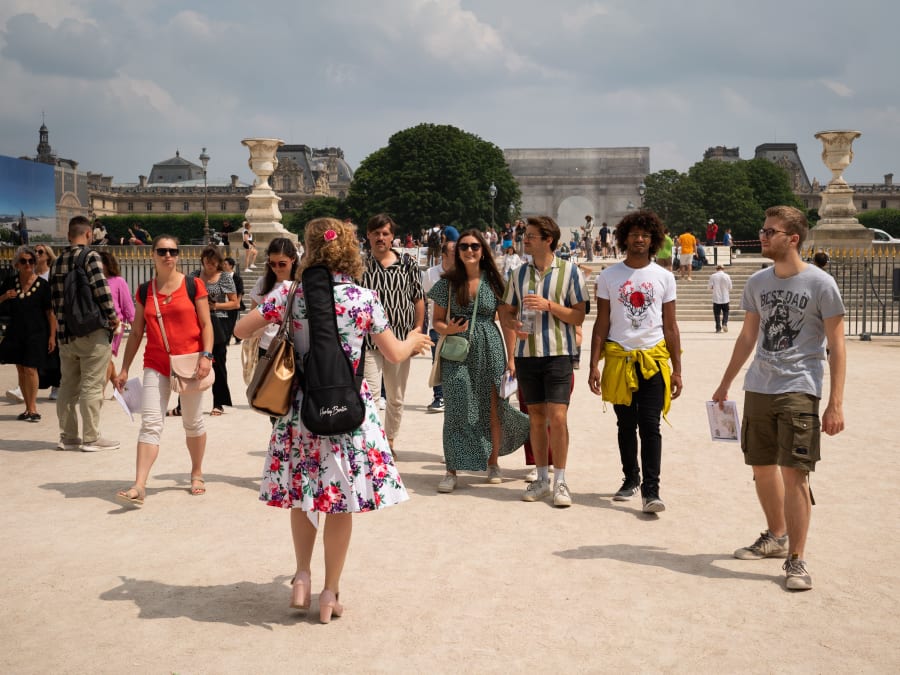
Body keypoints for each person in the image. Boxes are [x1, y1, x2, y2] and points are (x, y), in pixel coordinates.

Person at [233, 217, 432, 623]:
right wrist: (415, 338)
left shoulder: (289, 294)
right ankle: (329, 593)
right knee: (340, 502)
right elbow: (393, 354)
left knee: (305, 496)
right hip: (348, 410)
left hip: (300, 411)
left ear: (308, 249)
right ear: (348, 250)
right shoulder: (363, 298)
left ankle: (302, 577)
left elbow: (240, 329)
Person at [711, 205, 846, 592]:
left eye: (771, 231)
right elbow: (747, 337)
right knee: (761, 467)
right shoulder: (756, 282)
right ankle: (777, 535)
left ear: (793, 238)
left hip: (799, 386)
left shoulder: (821, 284)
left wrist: (835, 402)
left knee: (795, 473)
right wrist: (725, 383)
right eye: (764, 230)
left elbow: (837, 345)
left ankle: (797, 559)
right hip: (759, 386)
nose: (764, 235)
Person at [589, 210, 683, 513]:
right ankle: (630, 478)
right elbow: (601, 322)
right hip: (619, 357)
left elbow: (671, 326)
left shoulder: (665, 277)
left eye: (645, 235)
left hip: (653, 359)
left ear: (653, 240)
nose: (639, 239)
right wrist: (593, 363)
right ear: (624, 238)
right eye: (634, 234)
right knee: (625, 424)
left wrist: (678, 369)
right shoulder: (609, 276)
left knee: (650, 425)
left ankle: (651, 490)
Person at [113, 235, 214, 507]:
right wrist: (123, 368)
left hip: (190, 364)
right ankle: (139, 485)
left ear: (178, 255)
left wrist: (207, 356)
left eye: (172, 251)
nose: (168, 255)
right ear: (153, 255)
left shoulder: (194, 285)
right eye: (162, 251)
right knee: (150, 423)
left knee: (192, 421)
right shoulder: (145, 290)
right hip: (156, 363)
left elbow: (206, 325)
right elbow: (135, 333)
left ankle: (196, 472)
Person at [429, 229, 530, 492]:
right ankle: (452, 468)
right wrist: (447, 329)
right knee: (456, 408)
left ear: (483, 250)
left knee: (493, 407)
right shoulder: (447, 283)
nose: (469, 251)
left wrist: (511, 359)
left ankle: (493, 462)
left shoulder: (495, 283)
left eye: (474, 246)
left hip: (490, 347)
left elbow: (507, 323)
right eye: (464, 247)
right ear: (458, 251)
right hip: (457, 351)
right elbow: (436, 321)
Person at [499, 215, 588, 507]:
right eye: (526, 236)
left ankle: (560, 480)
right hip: (528, 355)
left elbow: (578, 315)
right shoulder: (518, 275)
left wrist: (549, 306)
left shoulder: (571, 272)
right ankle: (541, 478)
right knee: (535, 417)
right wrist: (514, 325)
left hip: (559, 354)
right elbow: (507, 311)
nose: (525, 240)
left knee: (558, 417)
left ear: (548, 240)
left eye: (531, 236)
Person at [50, 216, 120, 452]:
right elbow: (101, 291)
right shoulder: (90, 256)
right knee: (91, 384)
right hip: (91, 331)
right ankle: (91, 437)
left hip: (65, 334)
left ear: (69, 235)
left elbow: (54, 301)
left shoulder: (57, 262)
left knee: (68, 386)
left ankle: (68, 436)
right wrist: (113, 318)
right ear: (89, 234)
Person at [361, 213, 425, 456]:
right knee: (371, 397)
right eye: (376, 233)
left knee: (396, 398)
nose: (380, 237)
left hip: (400, 338)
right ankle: (374, 445)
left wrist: (418, 331)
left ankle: (390, 442)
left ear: (392, 237)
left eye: (385, 233)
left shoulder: (407, 263)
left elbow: (418, 298)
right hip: (368, 340)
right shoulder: (360, 264)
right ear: (368, 235)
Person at [0, 246, 55, 421]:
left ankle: (33, 409)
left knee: (31, 369)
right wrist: (4, 297)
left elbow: (50, 313)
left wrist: (52, 336)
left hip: (37, 333)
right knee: (21, 369)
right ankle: (27, 408)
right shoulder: (10, 282)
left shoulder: (43, 285)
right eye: (23, 261)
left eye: (31, 261)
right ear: (17, 264)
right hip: (16, 331)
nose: (28, 264)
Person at [191, 246, 237, 416]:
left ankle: (219, 403)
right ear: (202, 261)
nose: (210, 265)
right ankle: (184, 404)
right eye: (207, 262)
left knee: (217, 363)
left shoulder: (224, 277)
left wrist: (215, 305)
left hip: (218, 322)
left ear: (218, 262)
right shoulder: (194, 276)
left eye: (213, 262)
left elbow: (235, 303)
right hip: (196, 322)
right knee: (191, 362)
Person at [421, 240, 455, 413]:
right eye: (453, 250)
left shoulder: (462, 273)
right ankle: (439, 397)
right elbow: (426, 298)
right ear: (444, 254)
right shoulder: (431, 273)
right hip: (437, 324)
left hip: (458, 324)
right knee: (437, 361)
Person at [99, 251, 135, 389]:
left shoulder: (118, 281)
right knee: (104, 358)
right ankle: (116, 383)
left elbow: (128, 306)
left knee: (106, 358)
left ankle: (100, 392)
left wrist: (135, 325)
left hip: (114, 327)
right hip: (96, 325)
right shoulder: (92, 281)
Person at [222, 256, 244, 344]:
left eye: (225, 264)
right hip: (223, 303)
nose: (223, 265)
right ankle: (238, 337)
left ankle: (226, 341)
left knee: (230, 322)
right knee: (225, 322)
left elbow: (241, 291)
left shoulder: (237, 278)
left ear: (231, 266)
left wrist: (238, 302)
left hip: (233, 303)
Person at [708, 264, 733, 333]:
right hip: (725, 298)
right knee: (726, 312)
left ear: (716, 269)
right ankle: (724, 323)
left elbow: (710, 287)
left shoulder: (713, 276)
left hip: (716, 298)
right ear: (723, 269)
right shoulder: (727, 276)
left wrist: (714, 287)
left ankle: (718, 328)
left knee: (717, 314)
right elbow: (730, 287)